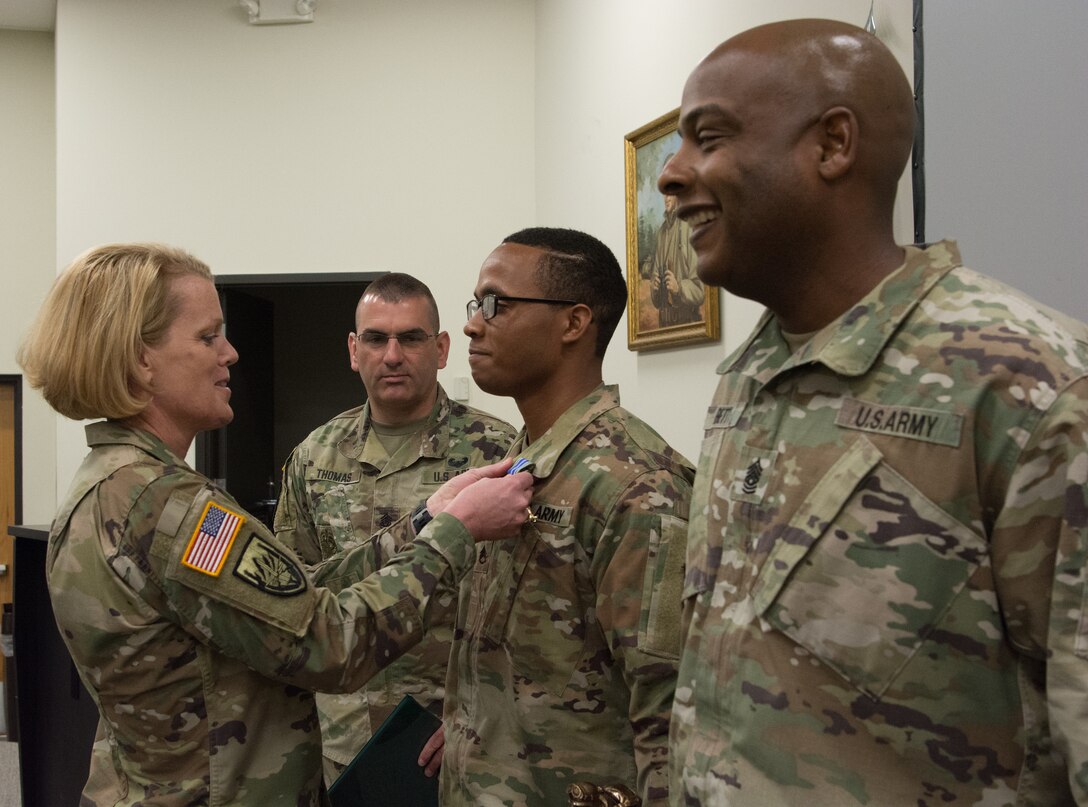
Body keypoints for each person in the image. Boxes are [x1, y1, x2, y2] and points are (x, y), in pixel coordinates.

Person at [657, 18, 1088, 806]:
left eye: (707, 137)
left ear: (832, 145)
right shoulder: (748, 377)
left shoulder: (1028, 385)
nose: (672, 174)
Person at [15, 243, 533, 806]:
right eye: (208, 336)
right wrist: (453, 534)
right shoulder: (171, 509)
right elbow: (328, 641)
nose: (231, 353)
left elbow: (296, 592)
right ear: (142, 359)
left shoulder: (112, 482)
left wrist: (427, 519)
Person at [425, 227, 695, 806]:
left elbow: (669, 723)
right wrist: (477, 719)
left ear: (573, 323)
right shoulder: (522, 462)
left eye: (496, 304)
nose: (473, 323)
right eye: (476, 304)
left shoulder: (636, 487)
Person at [274, 272, 516, 783]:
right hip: (342, 738)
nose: (392, 355)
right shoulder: (314, 456)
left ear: (442, 347)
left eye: (411, 337)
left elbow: (525, 605)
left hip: (458, 740)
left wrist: (480, 712)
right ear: (353, 349)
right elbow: (294, 595)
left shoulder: (497, 451)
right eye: (376, 338)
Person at [648, 190, 703, 327]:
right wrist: (655, 289)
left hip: (688, 323)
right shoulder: (661, 233)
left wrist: (678, 288)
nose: (666, 198)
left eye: (670, 194)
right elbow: (656, 300)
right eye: (664, 194)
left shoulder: (690, 227)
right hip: (664, 326)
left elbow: (700, 291)